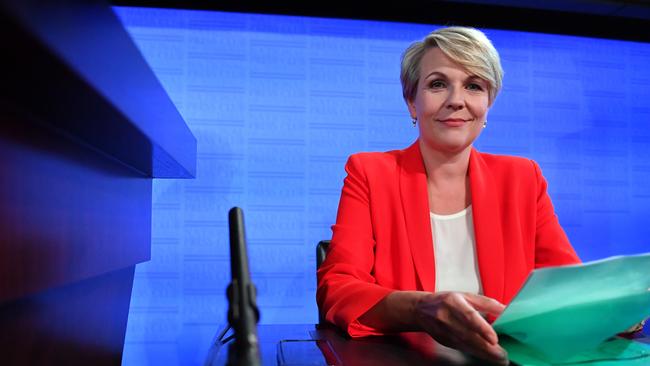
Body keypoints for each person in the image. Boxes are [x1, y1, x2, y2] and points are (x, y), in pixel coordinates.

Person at [316, 26, 581, 364]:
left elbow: (567, 288)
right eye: (438, 84)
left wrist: (617, 307)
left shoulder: (523, 177)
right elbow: (337, 288)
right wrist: (419, 308)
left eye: (474, 86)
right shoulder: (370, 172)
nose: (456, 100)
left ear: (488, 104)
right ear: (412, 101)